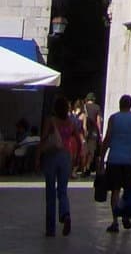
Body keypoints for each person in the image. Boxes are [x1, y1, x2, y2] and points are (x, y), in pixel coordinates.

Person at [100, 95, 131, 232]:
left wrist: (101, 158)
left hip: (115, 159)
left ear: (120, 104)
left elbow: (107, 139)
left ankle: (114, 221)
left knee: (115, 191)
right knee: (129, 191)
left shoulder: (114, 118)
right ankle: (126, 216)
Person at [37, 96, 73, 237]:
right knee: (62, 190)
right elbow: (76, 136)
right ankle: (66, 215)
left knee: (50, 192)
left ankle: (50, 229)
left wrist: (37, 155)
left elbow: (44, 137)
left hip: (52, 156)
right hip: (66, 156)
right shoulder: (70, 122)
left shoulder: (51, 121)